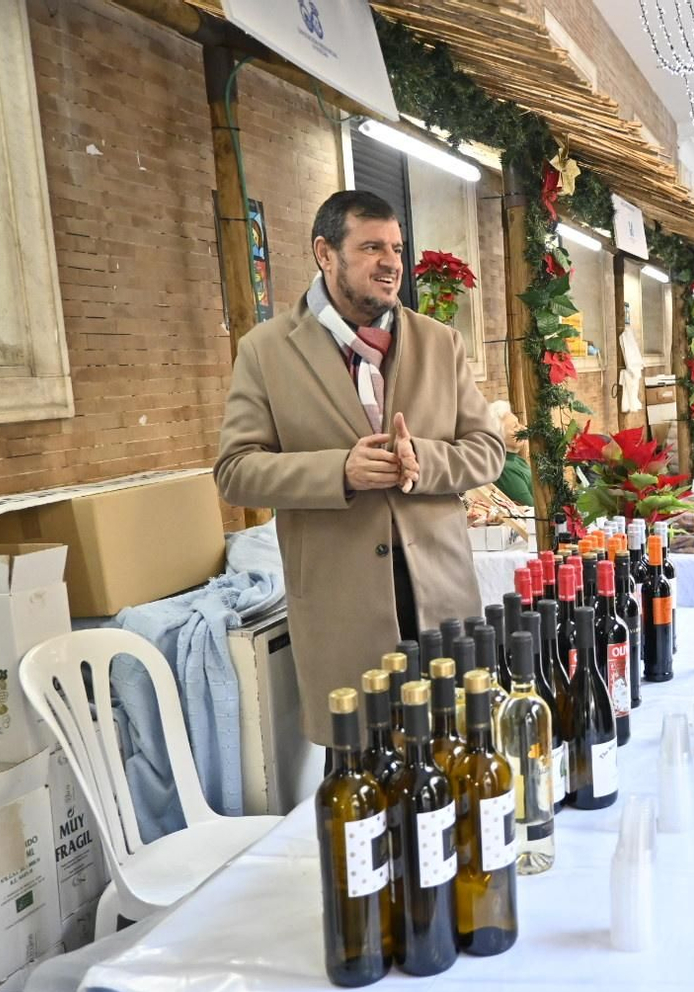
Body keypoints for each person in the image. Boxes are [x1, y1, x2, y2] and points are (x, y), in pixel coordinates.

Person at [215, 190, 504, 748]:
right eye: (372, 247)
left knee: (454, 754)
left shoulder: (440, 343)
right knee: (360, 768)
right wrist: (339, 473)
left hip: (439, 595)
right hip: (340, 605)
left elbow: (488, 450)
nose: (391, 262)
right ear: (326, 253)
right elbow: (236, 471)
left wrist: (426, 459)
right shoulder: (266, 351)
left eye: (396, 248)